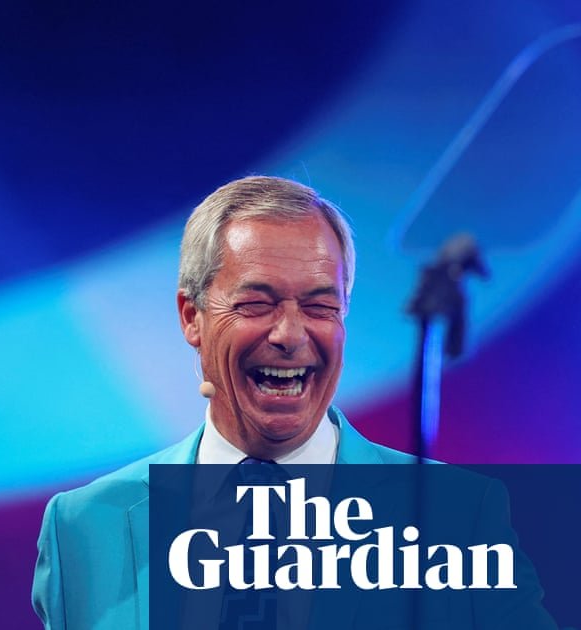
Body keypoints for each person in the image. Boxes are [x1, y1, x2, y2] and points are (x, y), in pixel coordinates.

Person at [30, 175, 558, 629]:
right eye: (256, 304)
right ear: (192, 317)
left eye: (320, 306)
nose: (289, 334)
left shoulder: (458, 515)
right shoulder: (83, 526)